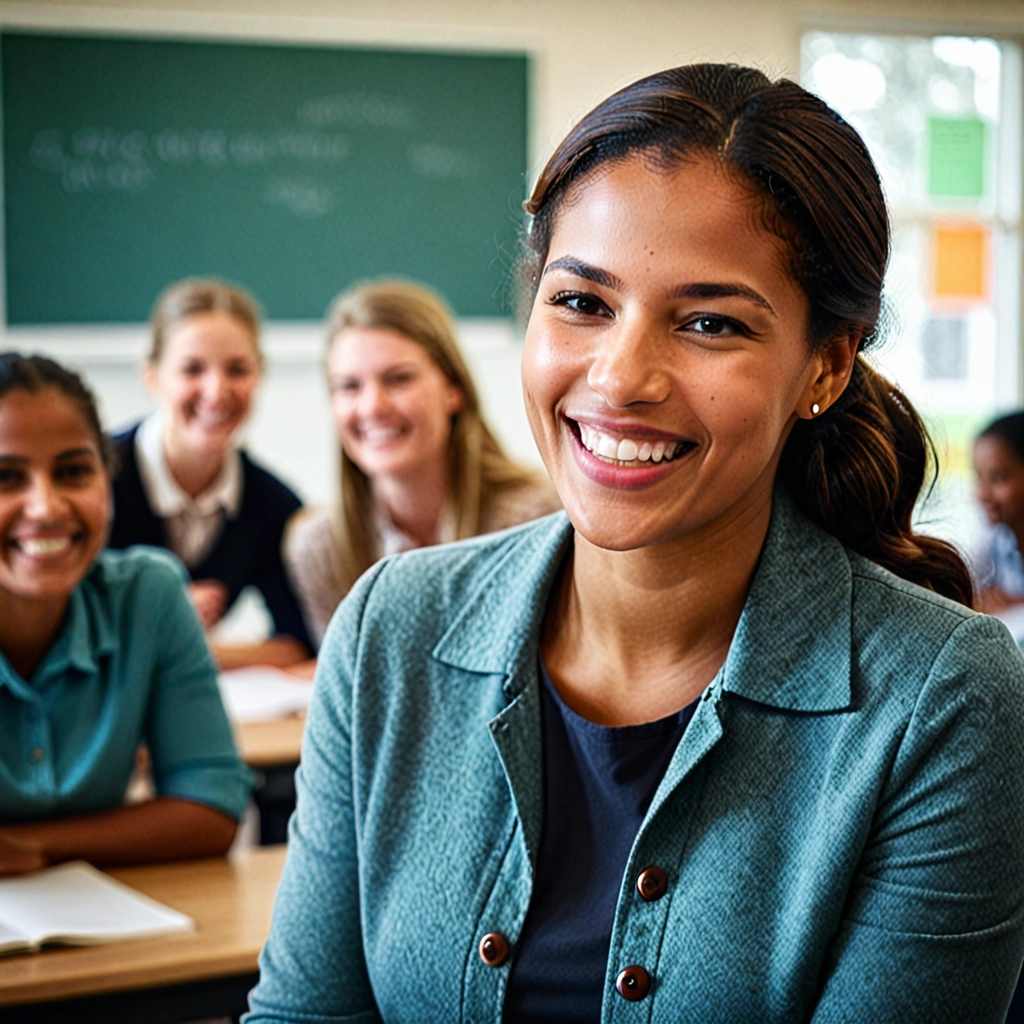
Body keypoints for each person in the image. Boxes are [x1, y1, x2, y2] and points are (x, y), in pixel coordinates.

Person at [245, 64, 1024, 1023]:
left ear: (825, 363)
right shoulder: (389, 629)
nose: (621, 379)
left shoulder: (944, 699)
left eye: (708, 323)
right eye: (581, 303)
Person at [0, 353, 250, 876]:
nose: (45, 507)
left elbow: (213, 805)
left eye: (73, 472)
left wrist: (33, 846)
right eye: (6, 478)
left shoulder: (148, 594)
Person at [284, 278, 560, 646]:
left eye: (398, 379)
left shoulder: (540, 521)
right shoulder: (319, 546)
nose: (372, 407)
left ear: (453, 389)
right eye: (349, 387)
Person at [107, 278, 313, 667]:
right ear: (152, 377)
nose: (217, 390)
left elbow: (299, 643)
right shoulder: (93, 480)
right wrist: (157, 616)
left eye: (238, 369)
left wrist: (189, 649)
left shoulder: (271, 505)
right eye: (192, 369)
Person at [972, 410, 1024, 611]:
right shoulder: (999, 541)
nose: (983, 494)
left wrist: (1015, 604)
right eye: (979, 478)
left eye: (999, 478)